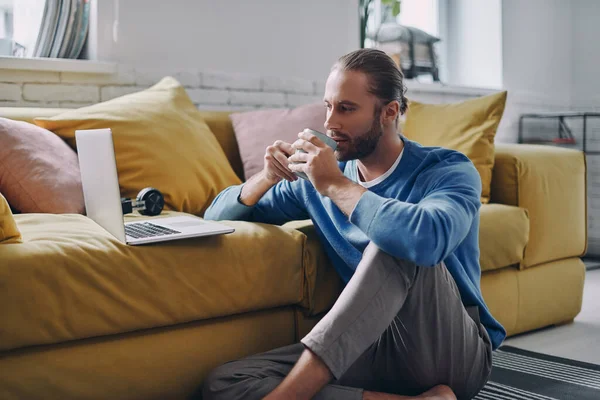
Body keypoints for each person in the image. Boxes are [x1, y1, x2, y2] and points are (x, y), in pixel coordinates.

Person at [201, 48, 505, 400]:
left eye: (346, 109)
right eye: (328, 106)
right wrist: (265, 177)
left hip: (452, 352)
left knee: (394, 241)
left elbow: (427, 239)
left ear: (389, 112)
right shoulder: (316, 182)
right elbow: (216, 216)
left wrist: (335, 185)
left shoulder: (447, 170)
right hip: (373, 345)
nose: (330, 123)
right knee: (226, 382)